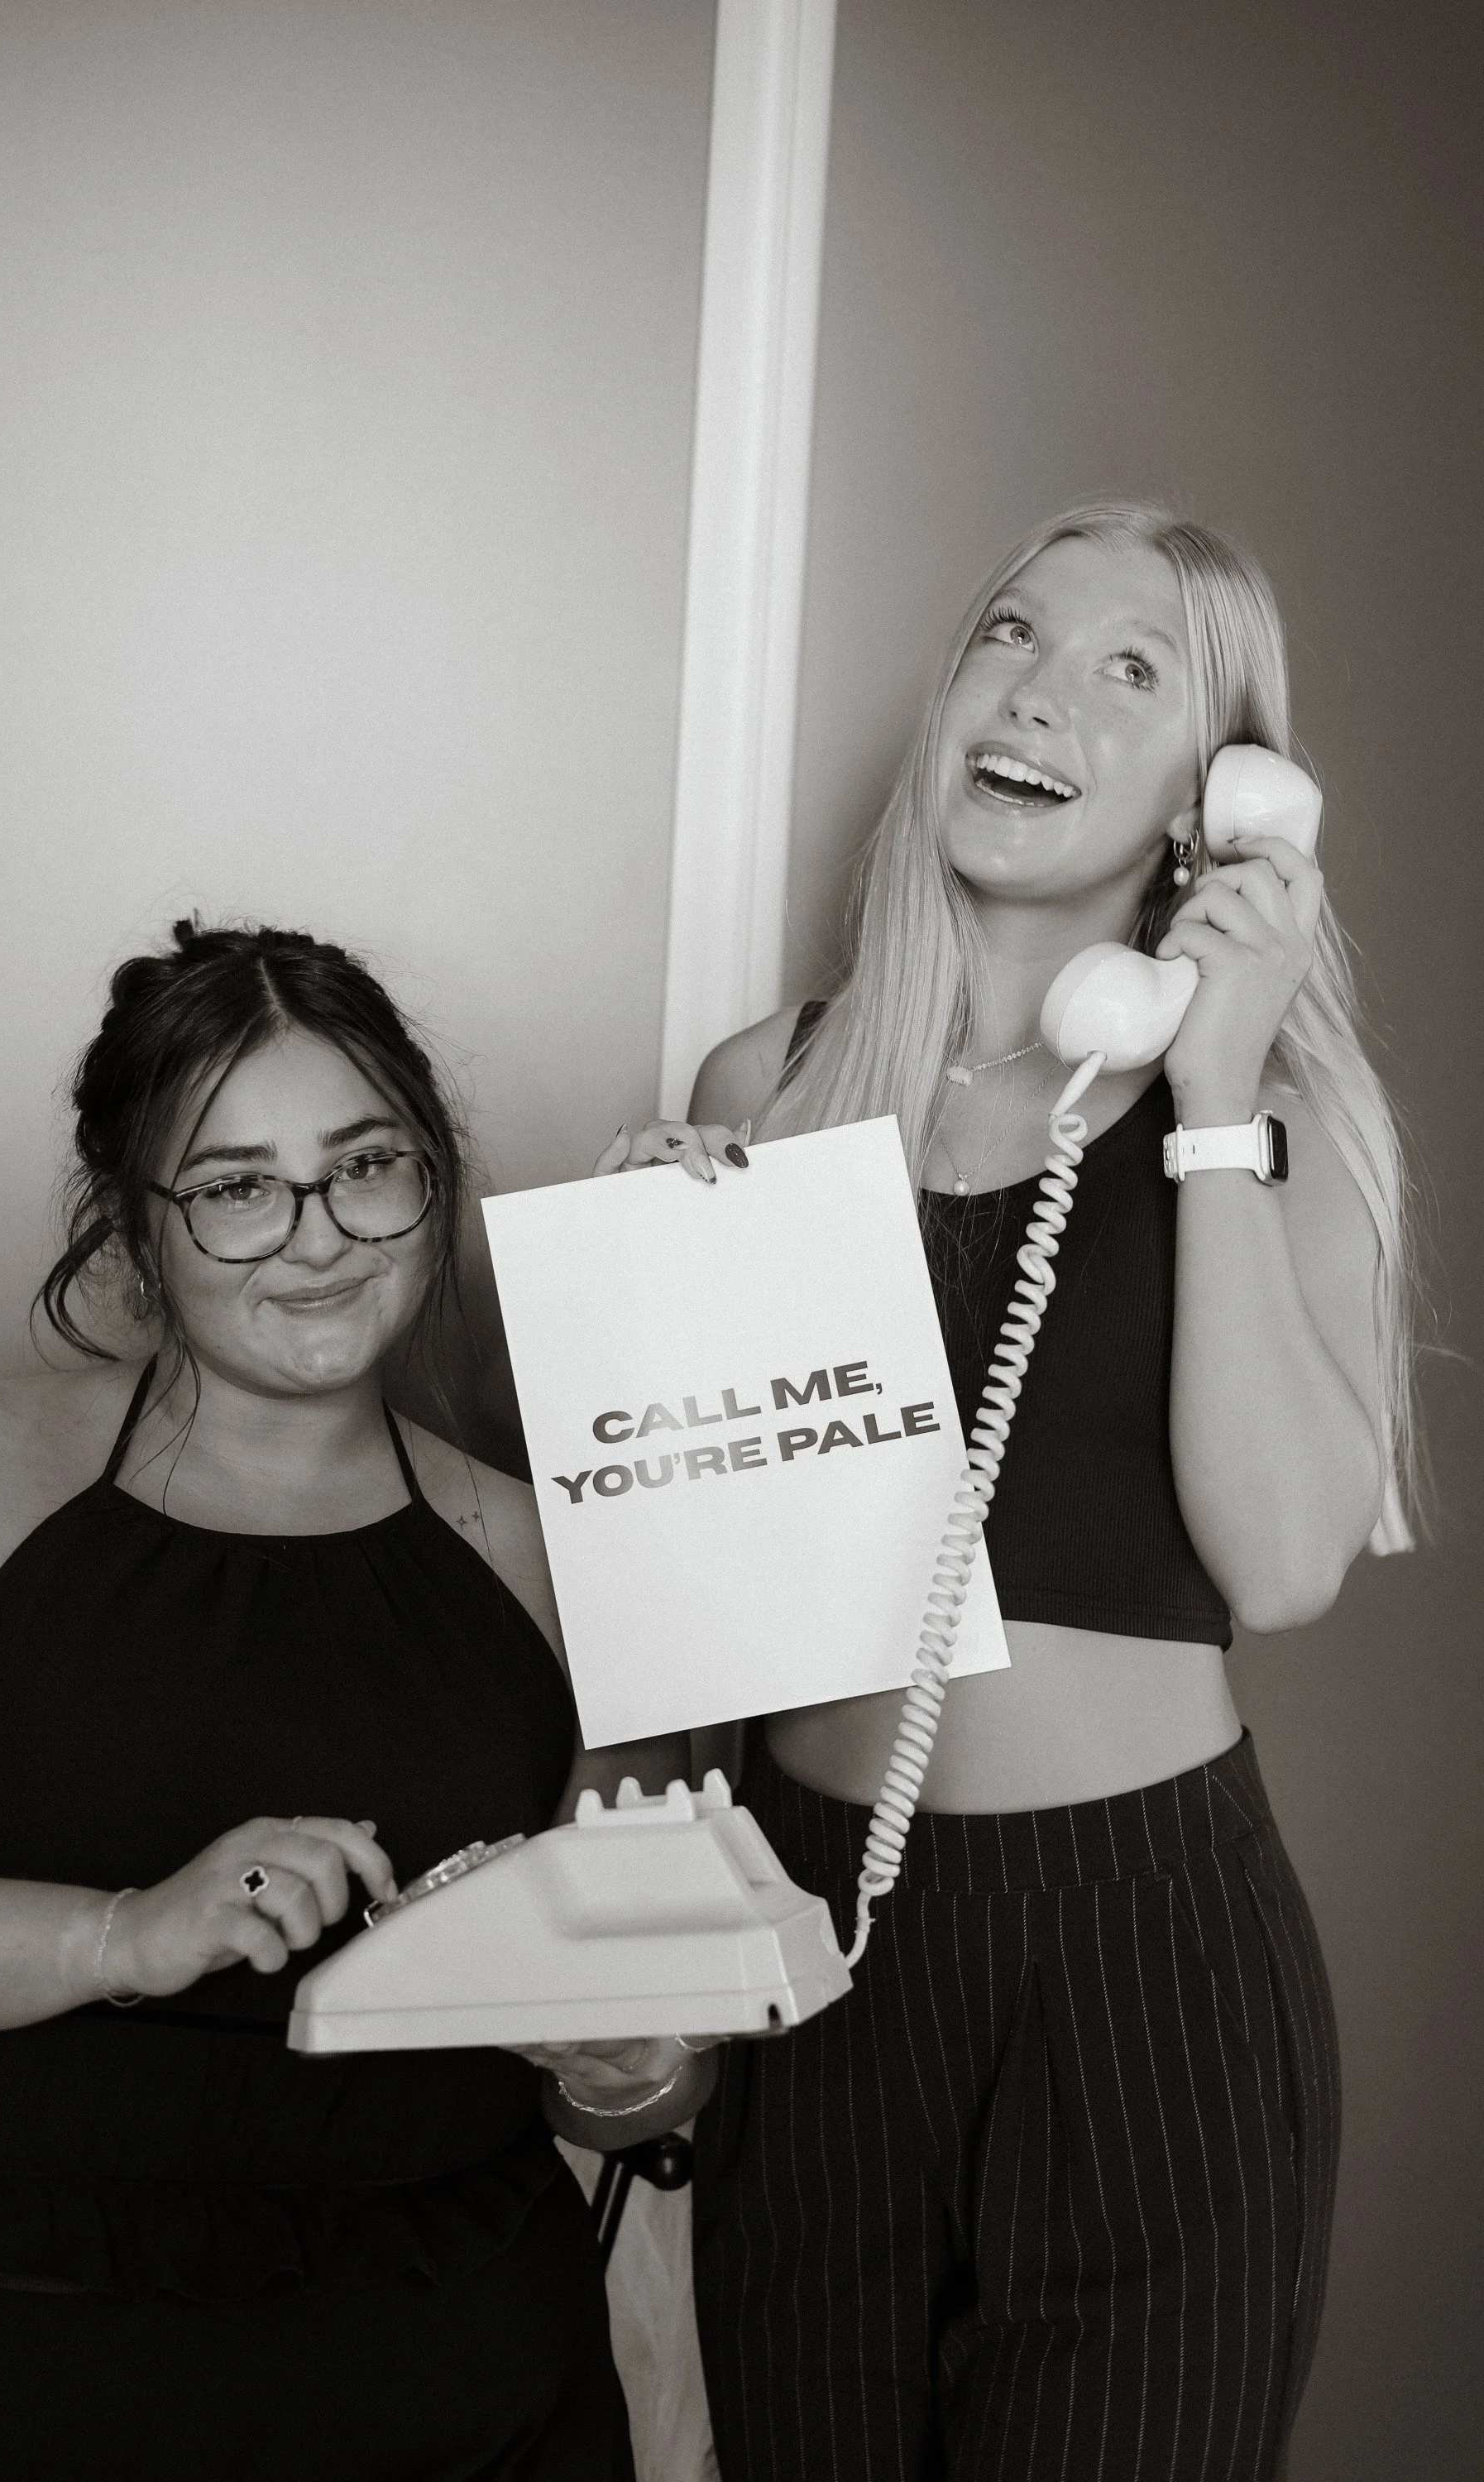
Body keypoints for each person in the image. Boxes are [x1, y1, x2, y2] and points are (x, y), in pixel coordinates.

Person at [602, 503, 1415, 2480]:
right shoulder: (763, 1085)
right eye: (1009, 634)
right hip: (819, 1923)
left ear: (1216, 810)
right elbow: (704, 1596)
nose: (1038, 690)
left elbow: (1287, 1561)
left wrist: (1208, 1104)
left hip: (1137, 1943)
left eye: (1131, 669)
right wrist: (654, 1291)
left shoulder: (1280, 1128)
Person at [0, 921, 715, 2481]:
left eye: (366, 1164)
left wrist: (622, 2058)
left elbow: (637, 2101)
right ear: (132, 1222)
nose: (316, 1237)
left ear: (434, 1178)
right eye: (237, 1187)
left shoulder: (572, 1558)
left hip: (450, 2396)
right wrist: (124, 1935)